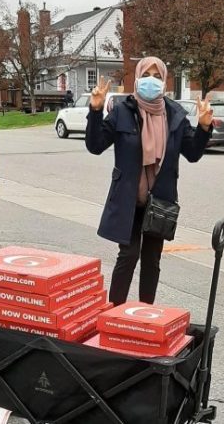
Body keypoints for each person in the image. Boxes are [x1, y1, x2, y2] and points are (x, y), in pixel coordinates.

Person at [85, 57, 213, 305]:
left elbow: (193, 153)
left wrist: (204, 128)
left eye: (157, 76)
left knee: (152, 260)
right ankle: (114, 312)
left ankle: (146, 315)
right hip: (129, 199)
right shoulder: (123, 111)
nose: (151, 81)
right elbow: (95, 145)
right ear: (138, 77)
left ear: (164, 81)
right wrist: (96, 110)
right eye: (147, 74)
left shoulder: (175, 115)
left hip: (160, 201)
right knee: (129, 255)